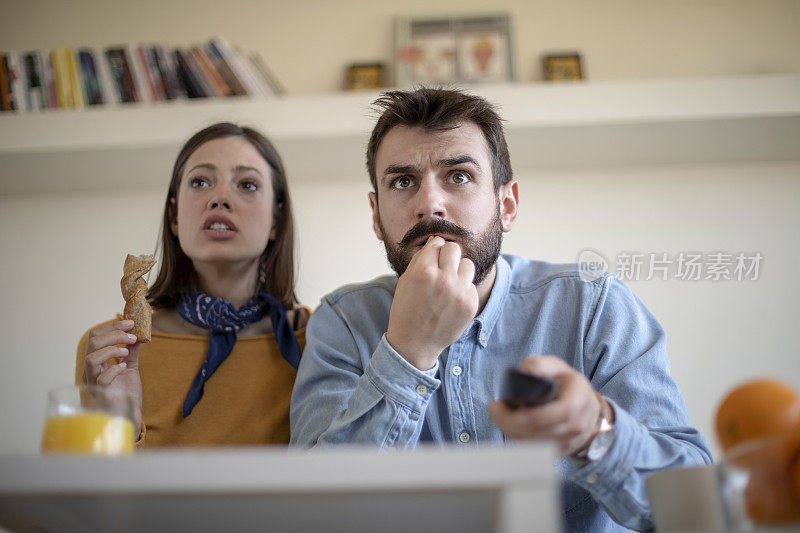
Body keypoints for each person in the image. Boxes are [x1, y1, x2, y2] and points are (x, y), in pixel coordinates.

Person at [289, 89, 712, 531]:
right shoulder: (341, 322)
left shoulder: (593, 306)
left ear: (506, 206)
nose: (429, 204)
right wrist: (407, 352)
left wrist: (594, 430)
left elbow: (692, 509)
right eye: (402, 181)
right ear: (376, 216)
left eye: (458, 176)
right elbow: (314, 516)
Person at [77, 122, 309, 447]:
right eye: (200, 181)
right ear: (173, 216)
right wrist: (120, 427)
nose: (221, 197)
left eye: (248, 185)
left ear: (276, 219)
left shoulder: (321, 341)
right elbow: (95, 494)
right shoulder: (109, 352)